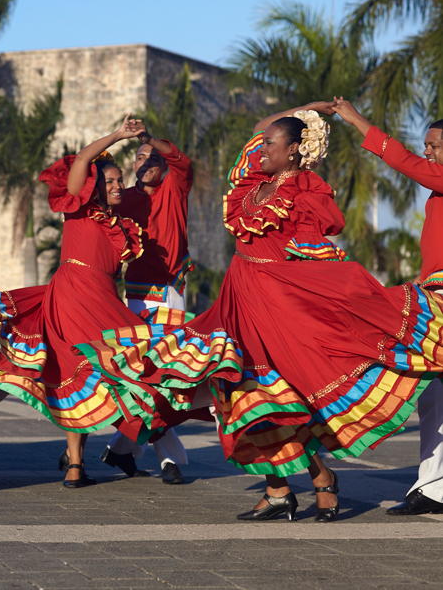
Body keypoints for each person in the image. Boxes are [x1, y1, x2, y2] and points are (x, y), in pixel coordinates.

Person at [80, 102, 443, 521]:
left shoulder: (306, 188)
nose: (261, 148)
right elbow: (261, 127)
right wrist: (311, 109)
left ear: (293, 150)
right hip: (239, 299)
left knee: (273, 395)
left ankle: (295, 487)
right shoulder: (253, 183)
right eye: (264, 143)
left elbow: (314, 250)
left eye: (271, 144)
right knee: (236, 391)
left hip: (277, 305)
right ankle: (297, 485)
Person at [0, 117, 203, 487]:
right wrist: (115, 136)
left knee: (101, 374)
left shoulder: (133, 209)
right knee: (93, 369)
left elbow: (179, 166)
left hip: (111, 299)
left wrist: (144, 139)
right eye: (111, 180)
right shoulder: (80, 208)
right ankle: (102, 458)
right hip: (77, 296)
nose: (120, 183)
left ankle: (107, 454)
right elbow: (81, 164)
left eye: (119, 180)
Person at [333, 98, 443, 516]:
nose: (427, 152)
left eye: (433, 145)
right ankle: (432, 486)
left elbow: (405, 162)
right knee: (433, 392)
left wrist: (357, 120)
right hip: (433, 295)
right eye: (426, 144)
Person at [99, 132, 195, 484]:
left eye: (153, 158)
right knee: (142, 378)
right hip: (134, 297)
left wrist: (150, 138)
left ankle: (122, 447)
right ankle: (164, 458)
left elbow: (182, 162)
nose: (144, 164)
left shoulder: (175, 188)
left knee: (167, 376)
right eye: (139, 158)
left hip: (170, 293)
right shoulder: (123, 200)